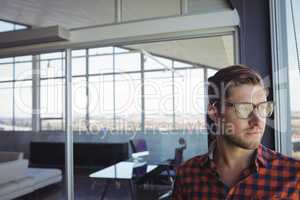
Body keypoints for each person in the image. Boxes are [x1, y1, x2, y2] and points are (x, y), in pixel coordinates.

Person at [172, 65, 300, 199]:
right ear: (214, 112)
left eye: (262, 107)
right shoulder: (188, 175)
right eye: (244, 108)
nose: (258, 121)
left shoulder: (294, 175)